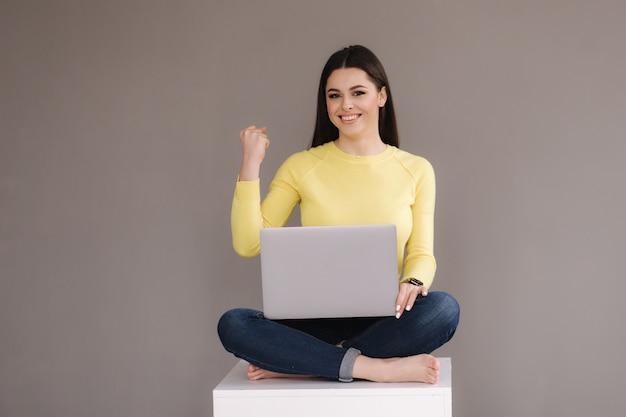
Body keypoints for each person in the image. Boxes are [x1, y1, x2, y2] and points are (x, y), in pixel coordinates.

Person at [218, 45, 459, 384]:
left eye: (358, 92)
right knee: (234, 324)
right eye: (335, 95)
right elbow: (247, 244)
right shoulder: (301, 166)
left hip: (384, 317)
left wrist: (414, 280)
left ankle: (305, 362)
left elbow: (421, 253)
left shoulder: (416, 169)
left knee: (444, 309)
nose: (345, 105)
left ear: (381, 96)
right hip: (314, 321)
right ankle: (373, 368)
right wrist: (250, 165)